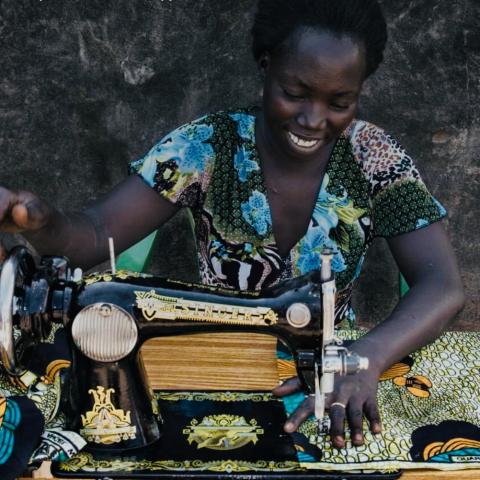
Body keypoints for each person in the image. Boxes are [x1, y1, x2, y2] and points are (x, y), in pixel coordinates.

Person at [0, 0, 465, 469]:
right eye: (295, 91)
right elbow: (94, 235)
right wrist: (42, 222)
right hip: (200, 359)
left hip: (334, 372)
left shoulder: (374, 157)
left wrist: (366, 357)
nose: (312, 119)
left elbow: (442, 286)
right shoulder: (206, 146)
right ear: (267, 67)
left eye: (338, 102)